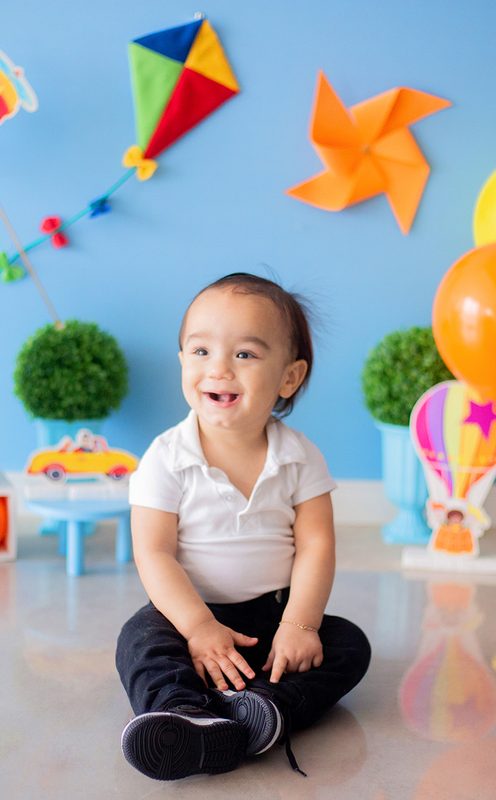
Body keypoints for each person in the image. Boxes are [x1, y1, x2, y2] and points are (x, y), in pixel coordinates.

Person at [116, 273, 370, 781]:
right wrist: (198, 627)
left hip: (273, 620)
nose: (219, 369)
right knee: (139, 639)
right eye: (201, 350)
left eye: (245, 355)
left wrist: (300, 625)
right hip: (189, 612)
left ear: (289, 378)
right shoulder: (166, 458)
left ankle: (264, 708)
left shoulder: (299, 458)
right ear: (182, 362)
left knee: (348, 644)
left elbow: (317, 544)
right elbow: (154, 553)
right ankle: (181, 713)